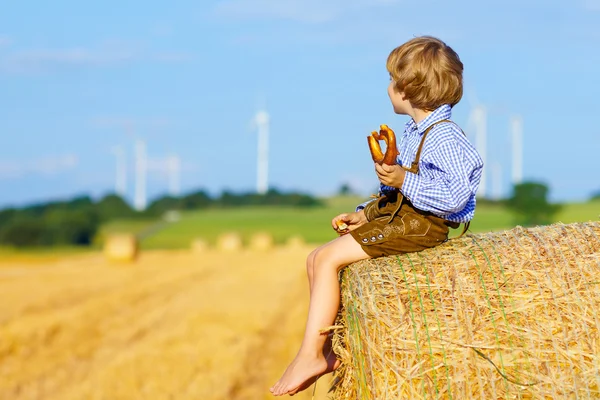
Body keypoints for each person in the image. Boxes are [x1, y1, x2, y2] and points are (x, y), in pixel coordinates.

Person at [269, 36, 483, 397]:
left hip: (421, 225)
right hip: (404, 217)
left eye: (391, 80)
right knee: (316, 258)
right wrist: (365, 216)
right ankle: (326, 350)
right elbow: (396, 196)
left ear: (408, 90)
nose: (387, 88)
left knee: (328, 261)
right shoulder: (416, 131)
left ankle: (312, 355)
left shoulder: (443, 137)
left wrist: (404, 178)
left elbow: (456, 196)